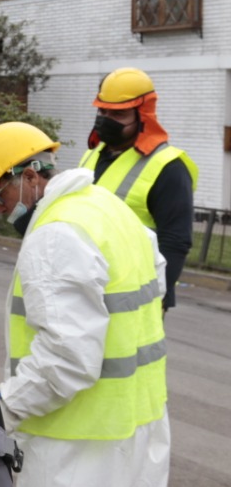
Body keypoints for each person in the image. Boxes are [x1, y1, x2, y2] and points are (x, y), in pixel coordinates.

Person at [0, 122, 168, 487]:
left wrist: (0, 410)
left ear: (30, 176)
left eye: (0, 194)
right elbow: (155, 285)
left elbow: (65, 360)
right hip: (139, 433)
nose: (0, 209)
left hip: (75, 455)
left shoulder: (56, 234)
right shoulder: (109, 208)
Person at [79, 68, 197, 311]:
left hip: (135, 300)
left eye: (118, 113)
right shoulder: (91, 156)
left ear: (143, 114)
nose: (106, 119)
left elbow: (175, 242)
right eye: (102, 110)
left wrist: (153, 299)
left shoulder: (168, 166)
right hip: (86, 288)